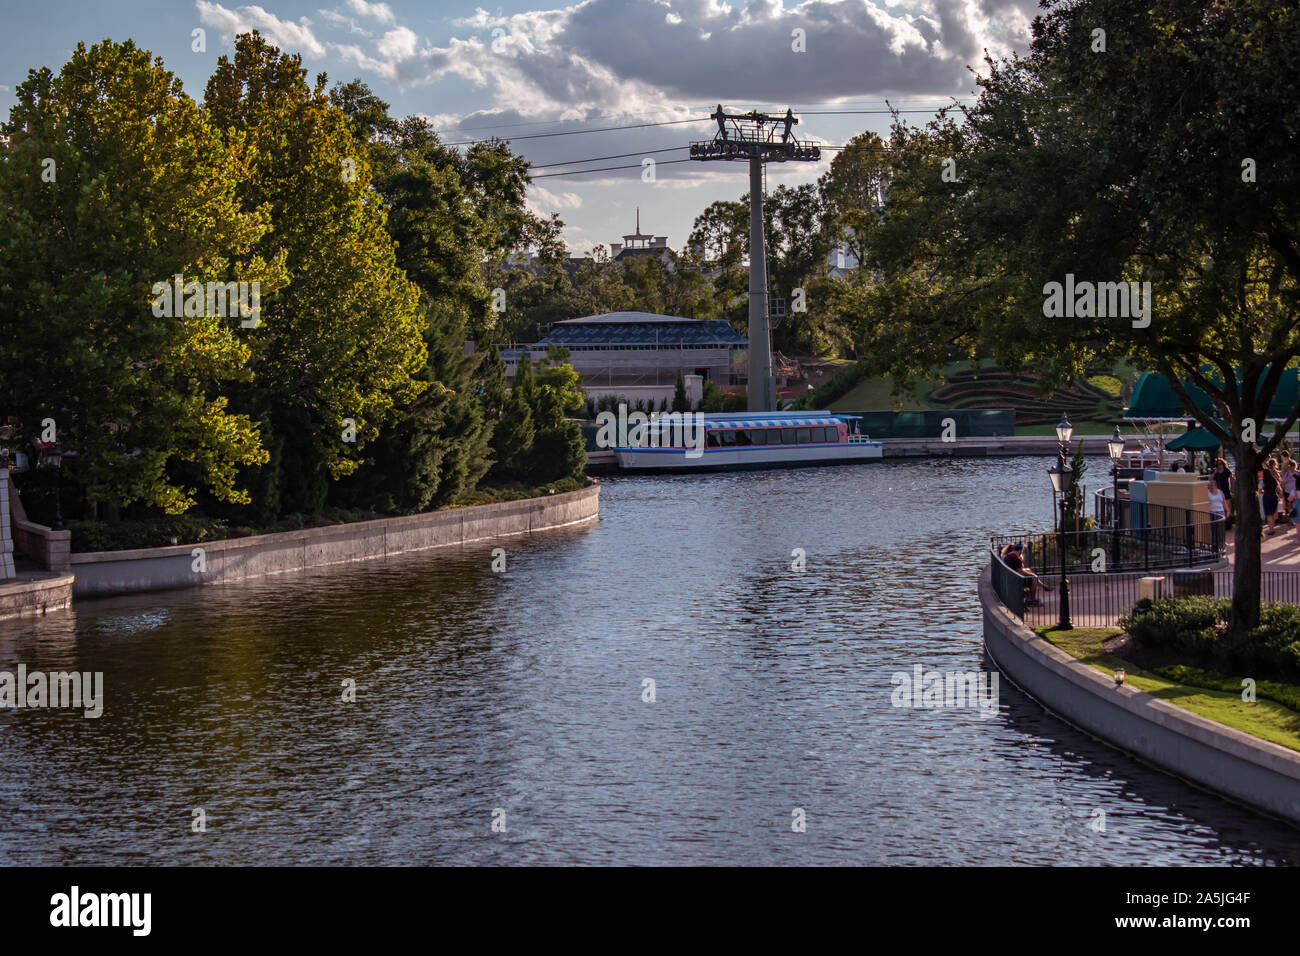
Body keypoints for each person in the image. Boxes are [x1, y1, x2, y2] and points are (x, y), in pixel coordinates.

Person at [1262, 457, 1282, 535]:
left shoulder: (1265, 481)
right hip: (1274, 495)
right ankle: (1272, 527)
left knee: (1269, 514)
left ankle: (1271, 529)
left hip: (1267, 495)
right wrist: (1280, 495)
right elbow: (1279, 489)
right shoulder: (1274, 480)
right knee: (1273, 513)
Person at [1212, 458, 1234, 527]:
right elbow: (1212, 480)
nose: (1219, 465)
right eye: (1217, 464)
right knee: (1222, 508)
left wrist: (1232, 487)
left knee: (1228, 508)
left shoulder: (1226, 470)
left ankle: (1229, 523)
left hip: (1226, 491)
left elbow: (1232, 478)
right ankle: (1223, 523)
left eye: (1220, 463)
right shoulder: (1216, 472)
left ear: (1223, 464)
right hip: (1219, 493)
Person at [1207, 480, 1227, 551]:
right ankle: (1214, 545)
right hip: (1212, 512)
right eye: (1210, 484)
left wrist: (1227, 510)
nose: (1212, 486)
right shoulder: (1207, 493)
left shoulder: (1220, 492)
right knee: (1214, 530)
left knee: (1221, 530)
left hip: (1221, 512)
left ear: (1215, 485)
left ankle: (1221, 545)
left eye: (1213, 484)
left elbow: (1224, 502)